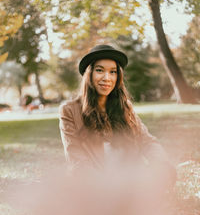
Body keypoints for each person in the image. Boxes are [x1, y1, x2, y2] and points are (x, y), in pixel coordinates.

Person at [59, 44, 175, 182]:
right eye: (100, 70)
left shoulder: (125, 107)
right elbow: (77, 160)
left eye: (113, 72)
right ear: (89, 74)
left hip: (131, 180)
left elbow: (148, 141)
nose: (107, 78)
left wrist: (161, 164)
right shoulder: (70, 111)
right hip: (95, 185)